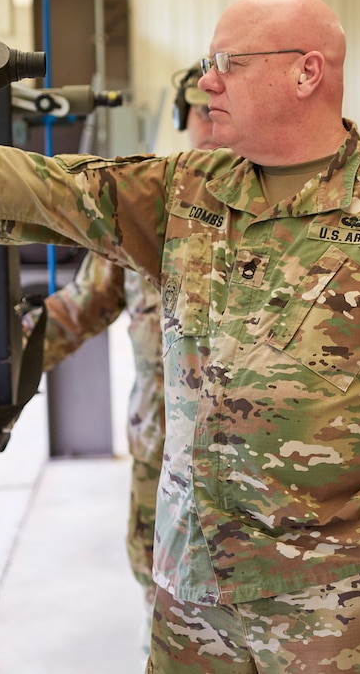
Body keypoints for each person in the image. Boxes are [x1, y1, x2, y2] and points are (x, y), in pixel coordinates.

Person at [0, 0, 360, 672]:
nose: (207, 82)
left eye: (227, 61)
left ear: (306, 72)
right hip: (191, 602)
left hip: (339, 613)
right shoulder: (185, 190)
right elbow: (42, 189)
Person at [21, 65, 216, 658]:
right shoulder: (154, 211)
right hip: (161, 453)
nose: (207, 124)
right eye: (199, 111)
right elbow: (85, 305)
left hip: (267, 476)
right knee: (163, 600)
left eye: (216, 110)